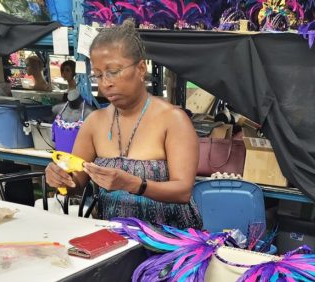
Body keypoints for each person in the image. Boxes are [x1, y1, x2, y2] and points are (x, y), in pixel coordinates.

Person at [45, 19, 202, 229]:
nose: (106, 83)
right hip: (114, 236)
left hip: (170, 241)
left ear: (140, 68)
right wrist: (61, 179)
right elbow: (77, 182)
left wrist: (132, 184)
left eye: (114, 71)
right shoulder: (94, 122)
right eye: (99, 75)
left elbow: (183, 191)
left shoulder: (173, 120)